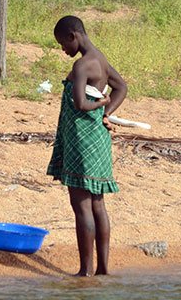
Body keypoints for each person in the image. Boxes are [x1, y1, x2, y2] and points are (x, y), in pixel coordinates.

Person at [46, 15, 127, 276]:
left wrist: (103, 106)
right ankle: (102, 270)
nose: (63, 50)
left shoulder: (82, 65)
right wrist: (106, 115)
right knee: (97, 204)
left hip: (82, 140)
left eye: (63, 44)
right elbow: (121, 87)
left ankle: (85, 271)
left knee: (81, 205)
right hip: (98, 138)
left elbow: (80, 104)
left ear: (73, 36)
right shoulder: (100, 59)